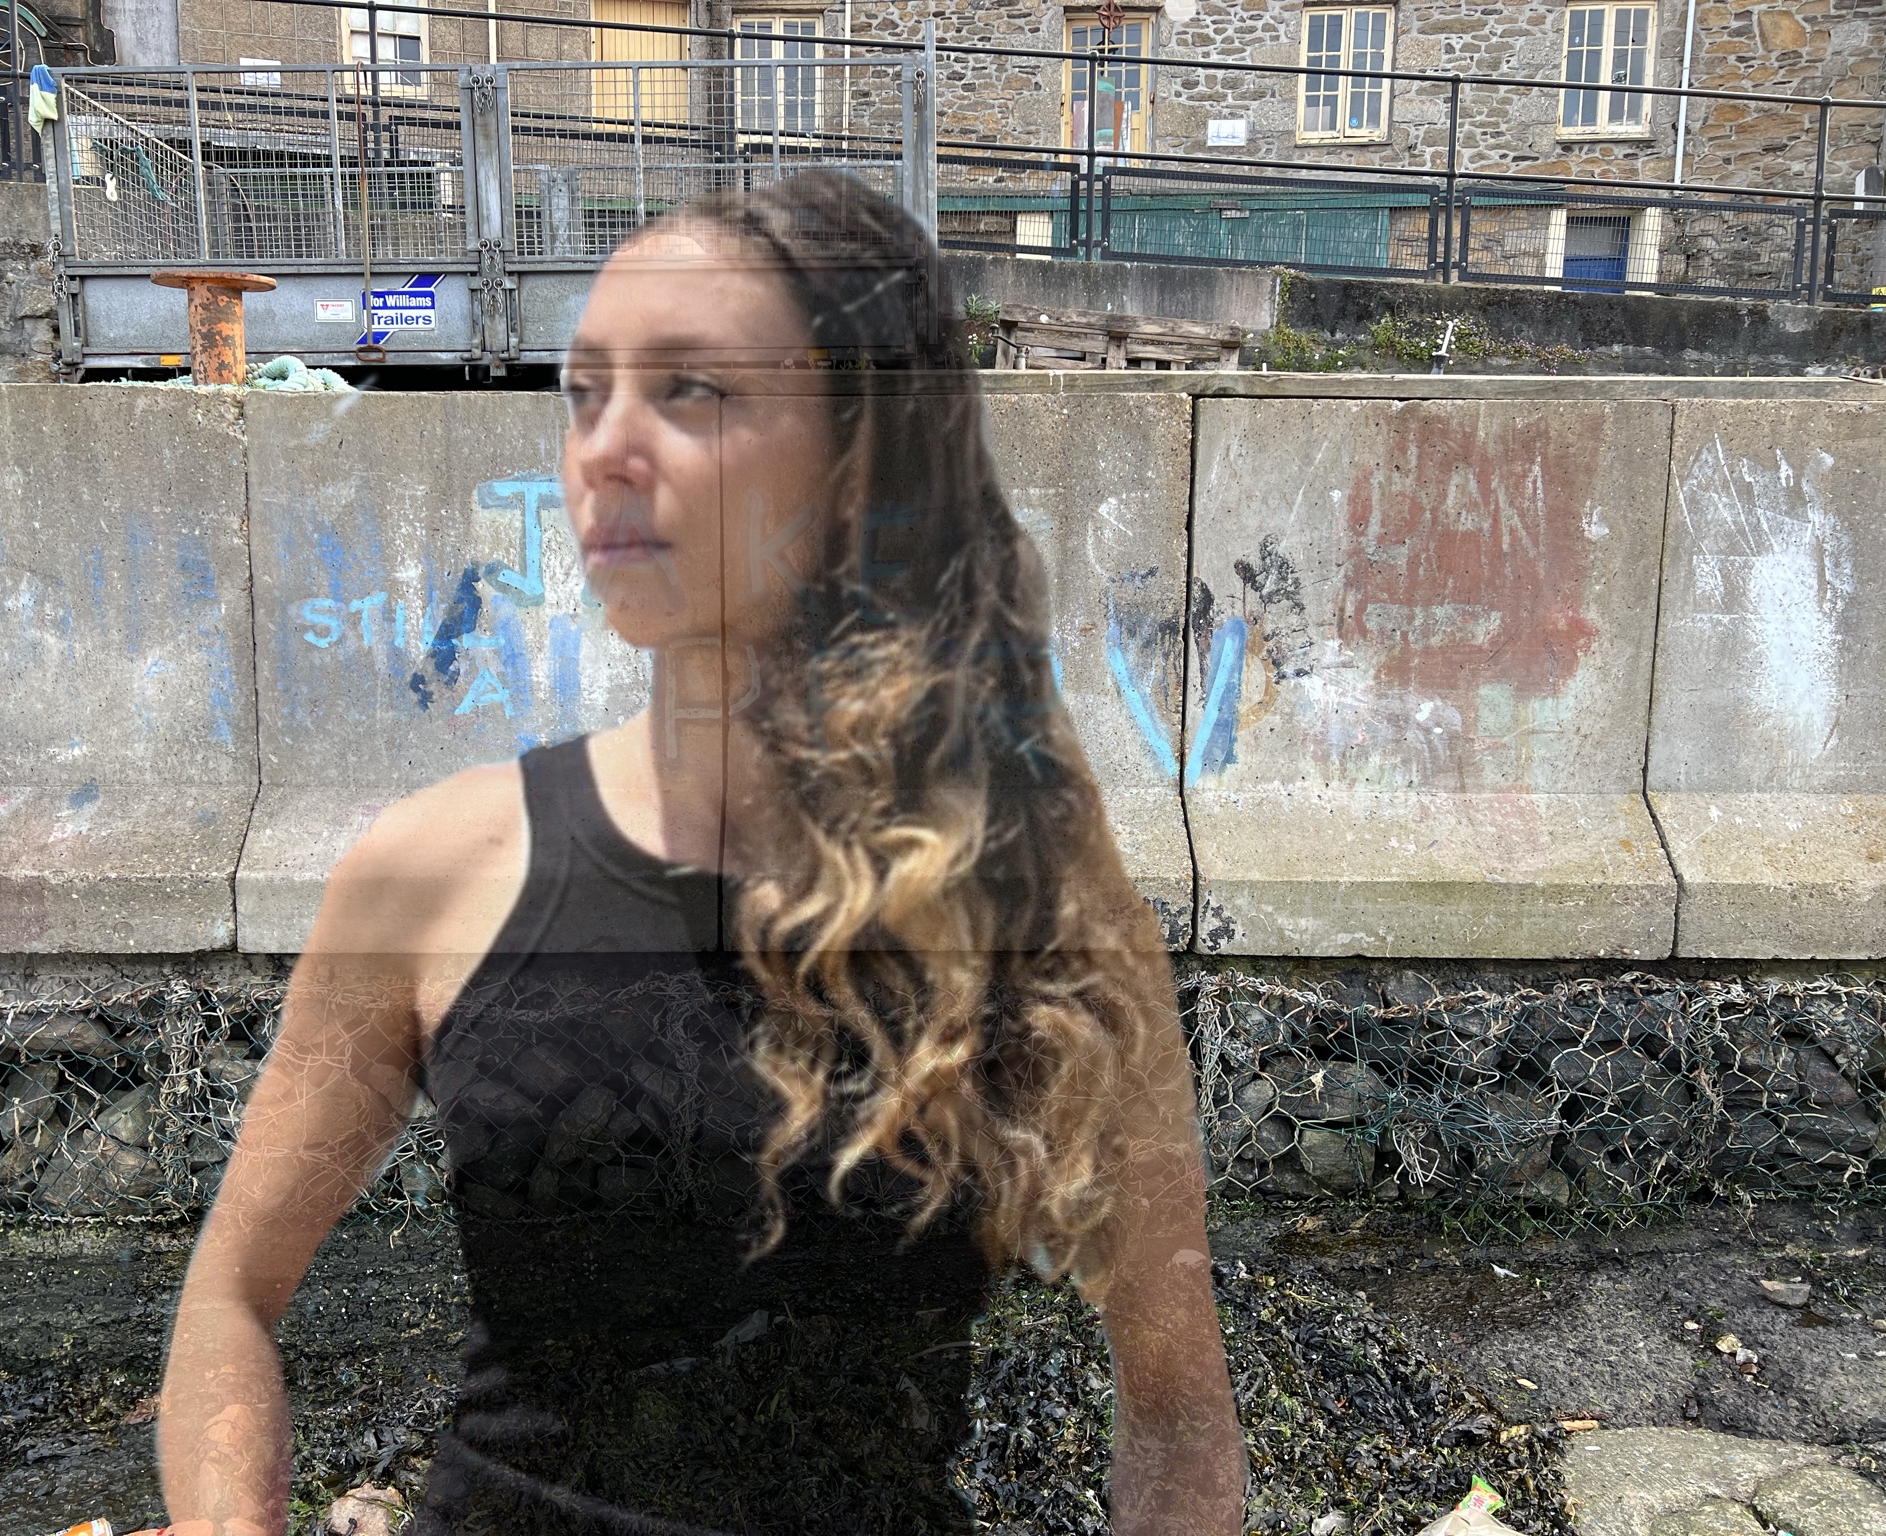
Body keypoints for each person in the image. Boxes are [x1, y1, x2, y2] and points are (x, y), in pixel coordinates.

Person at [156, 170, 1243, 1536]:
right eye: (586, 392)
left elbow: (1178, 1410)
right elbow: (230, 1300)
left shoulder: (1034, 899)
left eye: (691, 390)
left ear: (863, 456)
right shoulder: (434, 871)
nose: (605, 447)